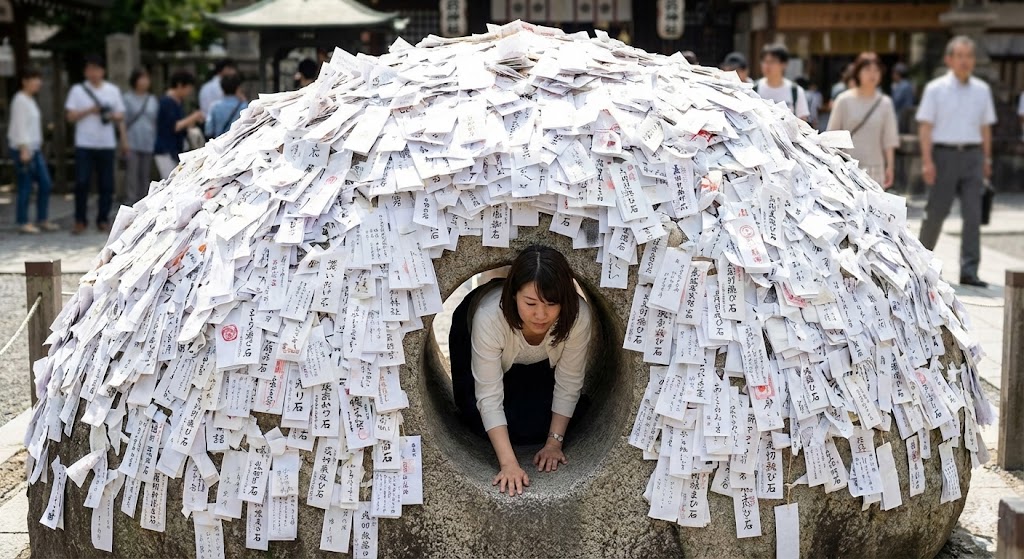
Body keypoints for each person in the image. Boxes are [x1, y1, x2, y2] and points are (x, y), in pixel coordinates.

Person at [450, 246, 592, 497]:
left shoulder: (577, 317)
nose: (540, 314)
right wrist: (509, 465)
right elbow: (489, 396)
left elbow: (569, 381)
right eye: (530, 303)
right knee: (473, 415)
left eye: (551, 304)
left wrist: (553, 443)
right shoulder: (489, 317)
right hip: (473, 331)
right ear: (513, 294)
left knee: (551, 419)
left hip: (534, 361)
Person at [916, 36, 997, 288]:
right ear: (949, 59)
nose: (965, 61)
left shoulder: (982, 90)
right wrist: (927, 161)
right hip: (944, 156)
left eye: (969, 56)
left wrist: (987, 158)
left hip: (973, 156)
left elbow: (985, 128)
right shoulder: (936, 89)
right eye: (959, 56)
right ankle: (919, 264)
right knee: (936, 212)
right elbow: (925, 127)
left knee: (973, 215)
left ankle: (969, 271)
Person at [65, 54, 126, 234]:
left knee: (106, 184)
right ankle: (80, 220)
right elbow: (70, 117)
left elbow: (121, 115)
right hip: (84, 143)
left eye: (96, 69)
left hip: (106, 144)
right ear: (85, 71)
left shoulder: (112, 90)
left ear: (103, 71)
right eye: (89, 69)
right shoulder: (77, 90)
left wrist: (109, 115)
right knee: (81, 182)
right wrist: (89, 110)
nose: (93, 73)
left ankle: (103, 219)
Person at [827, 53, 899, 190]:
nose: (872, 74)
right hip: (848, 168)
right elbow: (831, 137)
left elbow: (889, 139)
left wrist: (890, 167)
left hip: (875, 170)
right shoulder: (843, 100)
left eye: (876, 70)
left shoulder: (885, 103)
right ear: (857, 72)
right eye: (867, 70)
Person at [7, 67, 56, 234]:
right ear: (24, 81)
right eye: (34, 79)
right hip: (24, 149)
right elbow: (20, 126)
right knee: (25, 186)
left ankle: (42, 219)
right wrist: (23, 149)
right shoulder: (20, 100)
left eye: (39, 79)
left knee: (45, 183)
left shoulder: (30, 100)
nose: (38, 82)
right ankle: (23, 221)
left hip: (34, 149)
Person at [154, 71, 204, 179]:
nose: (189, 92)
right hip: (165, 150)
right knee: (169, 181)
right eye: (188, 88)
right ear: (180, 85)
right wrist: (193, 117)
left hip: (176, 149)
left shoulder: (178, 102)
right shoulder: (166, 102)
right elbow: (175, 126)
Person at [121, 68, 158, 204]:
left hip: (148, 140)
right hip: (132, 141)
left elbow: (154, 121)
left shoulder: (152, 99)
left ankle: (143, 202)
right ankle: (131, 202)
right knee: (132, 174)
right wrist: (124, 141)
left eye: (146, 78)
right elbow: (123, 122)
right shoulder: (127, 99)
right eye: (141, 78)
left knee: (145, 174)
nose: (144, 81)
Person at [754, 44, 810, 121]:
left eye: (772, 62)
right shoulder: (753, 89)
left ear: (784, 64)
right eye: (765, 61)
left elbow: (803, 121)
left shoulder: (796, 91)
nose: (767, 66)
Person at [205, 72, 248, 139]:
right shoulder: (243, 106)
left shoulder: (214, 106)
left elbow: (208, 131)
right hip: (238, 144)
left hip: (219, 145)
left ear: (222, 88)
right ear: (237, 88)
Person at [891, 63, 915, 132]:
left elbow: (896, 101)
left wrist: (894, 89)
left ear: (898, 74)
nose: (893, 75)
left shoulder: (902, 86)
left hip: (901, 114)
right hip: (907, 114)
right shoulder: (908, 84)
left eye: (894, 73)